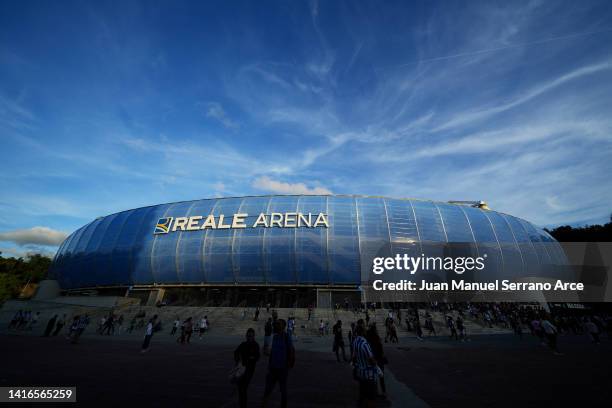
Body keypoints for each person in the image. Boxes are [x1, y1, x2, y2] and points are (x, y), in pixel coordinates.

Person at [262, 319, 294, 408]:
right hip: (273, 368)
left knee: (283, 391)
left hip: (282, 369)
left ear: (283, 327)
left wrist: (288, 364)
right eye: (276, 325)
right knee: (268, 390)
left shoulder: (287, 337)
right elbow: (269, 352)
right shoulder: (273, 337)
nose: (276, 326)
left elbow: (291, 351)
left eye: (278, 325)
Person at [234, 328, 261, 408]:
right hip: (241, 369)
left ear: (254, 336)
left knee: (243, 388)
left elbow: (257, 356)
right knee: (240, 388)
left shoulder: (255, 345)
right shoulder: (243, 344)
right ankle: (242, 404)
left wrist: (251, 358)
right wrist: (237, 360)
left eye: (251, 336)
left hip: (249, 370)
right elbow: (236, 352)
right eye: (248, 336)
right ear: (246, 336)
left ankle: (243, 405)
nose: (249, 337)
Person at [352, 325, 378, 407]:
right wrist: (375, 363)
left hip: (360, 372)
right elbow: (371, 359)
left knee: (362, 394)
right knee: (371, 397)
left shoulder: (355, 341)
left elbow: (353, 357)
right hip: (368, 374)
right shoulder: (364, 343)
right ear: (363, 332)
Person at [366, 323, 387, 398]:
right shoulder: (377, 340)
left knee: (373, 377)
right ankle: (383, 392)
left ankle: (375, 392)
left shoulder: (368, 340)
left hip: (372, 359)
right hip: (378, 359)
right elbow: (381, 351)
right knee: (381, 376)